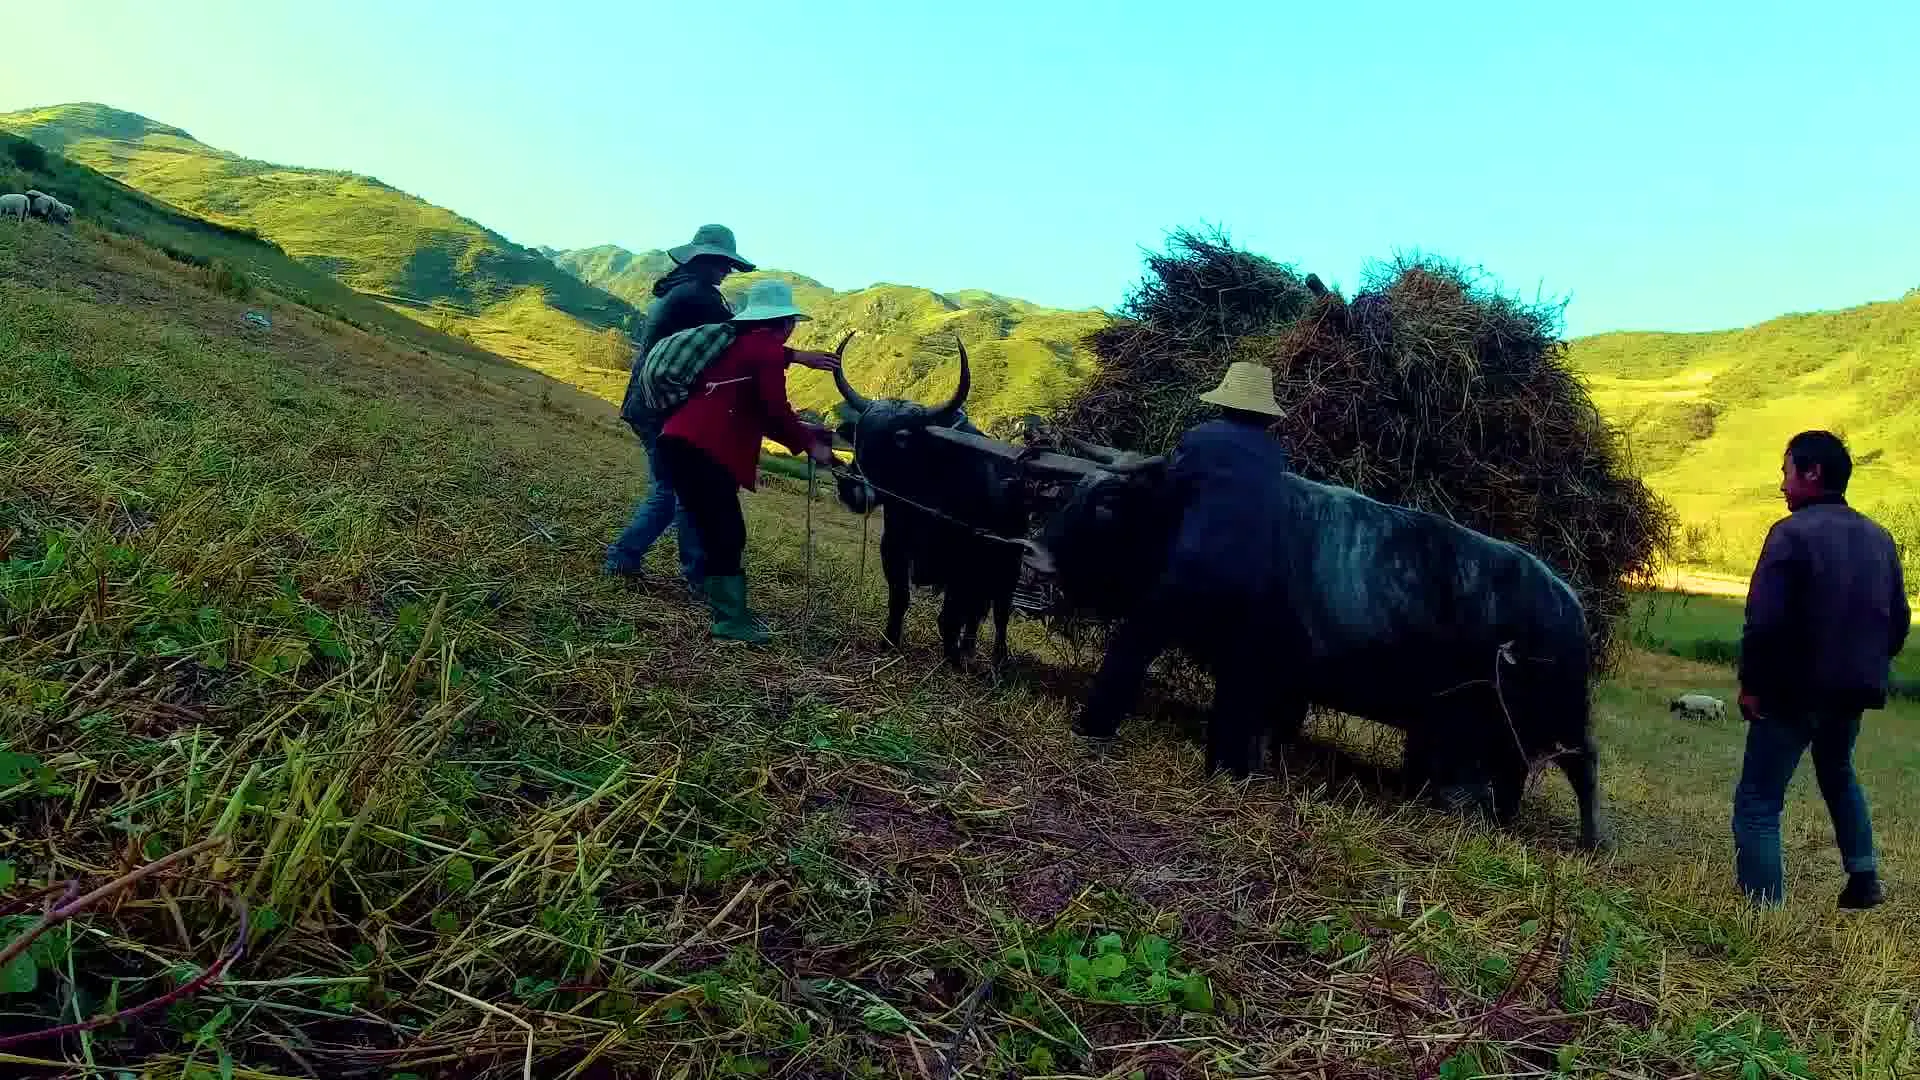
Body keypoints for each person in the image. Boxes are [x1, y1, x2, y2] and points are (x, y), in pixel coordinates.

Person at [604, 224, 840, 590]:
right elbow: (739, 345)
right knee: (681, 495)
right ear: (701, 260)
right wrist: (797, 357)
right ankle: (673, 571)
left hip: (648, 401)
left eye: (726, 263)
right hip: (660, 409)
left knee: (673, 491)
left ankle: (634, 559)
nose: (725, 269)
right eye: (719, 262)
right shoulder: (700, 297)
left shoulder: (678, 291)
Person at [1733, 430, 1910, 909]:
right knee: (1837, 772)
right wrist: (1861, 666)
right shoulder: (1880, 538)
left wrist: (1752, 684)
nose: (1783, 484)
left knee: (1758, 802)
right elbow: (1898, 622)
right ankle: (1863, 876)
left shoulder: (1789, 534)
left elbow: (1763, 622)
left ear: (1813, 473)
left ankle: (1763, 916)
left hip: (1792, 691)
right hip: (1851, 693)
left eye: (1787, 471)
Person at [1075, 362, 1292, 748]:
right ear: (1264, 412)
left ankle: (1095, 730)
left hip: (1195, 569)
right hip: (1252, 581)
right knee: (1236, 672)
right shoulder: (1275, 455)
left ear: (1224, 403)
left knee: (1134, 644)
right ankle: (1228, 767)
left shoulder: (1201, 438)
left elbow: (1170, 500)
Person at [656, 279, 837, 643]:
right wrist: (811, 445)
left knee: (716, 528)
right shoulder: (766, 350)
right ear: (786, 323)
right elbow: (773, 410)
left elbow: (750, 407)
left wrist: (803, 431)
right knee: (726, 532)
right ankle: (730, 622)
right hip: (703, 449)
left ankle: (722, 606)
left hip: (680, 443)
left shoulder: (738, 344)